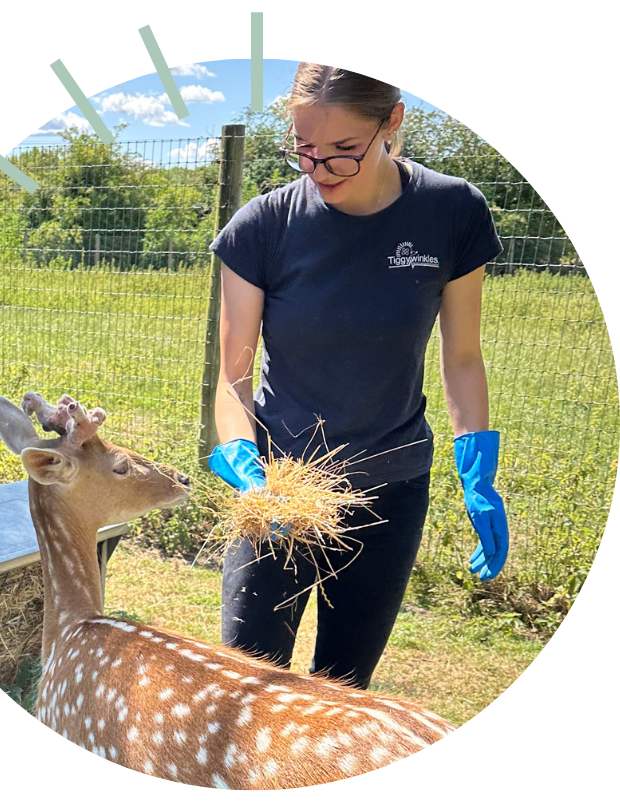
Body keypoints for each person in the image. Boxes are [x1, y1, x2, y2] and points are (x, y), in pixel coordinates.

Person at [207, 64, 510, 689]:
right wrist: (243, 460)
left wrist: (478, 469)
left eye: (343, 149)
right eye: (304, 150)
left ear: (391, 122)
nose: (320, 170)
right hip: (281, 488)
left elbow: (461, 357)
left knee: (343, 693)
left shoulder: (452, 212)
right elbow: (233, 379)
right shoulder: (262, 226)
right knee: (247, 686)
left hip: (390, 490)